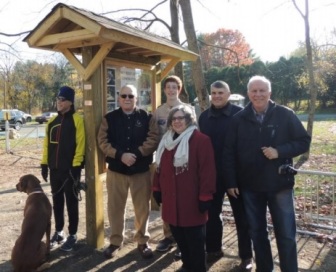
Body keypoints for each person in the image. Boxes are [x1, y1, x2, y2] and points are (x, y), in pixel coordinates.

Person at [223, 75, 311, 272]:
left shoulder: (285, 114)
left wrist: (280, 151)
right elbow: (228, 152)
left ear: (270, 93)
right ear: (248, 93)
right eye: (254, 90)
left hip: (279, 184)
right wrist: (230, 181)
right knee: (257, 233)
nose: (258, 94)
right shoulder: (238, 119)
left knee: (286, 234)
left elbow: (303, 141)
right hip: (250, 186)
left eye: (262, 90)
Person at [97, 84, 159, 259]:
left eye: (131, 96)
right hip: (116, 171)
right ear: (118, 98)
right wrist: (120, 155)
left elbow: (153, 138)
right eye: (123, 96)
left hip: (141, 171)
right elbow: (102, 141)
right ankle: (116, 241)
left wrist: (138, 154)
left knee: (142, 208)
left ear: (136, 98)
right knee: (115, 208)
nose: (127, 99)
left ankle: (142, 241)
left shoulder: (147, 117)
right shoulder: (109, 118)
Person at [152, 105, 216, 272]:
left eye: (182, 118)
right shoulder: (166, 141)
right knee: (180, 239)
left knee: (195, 243)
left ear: (189, 120)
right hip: (171, 201)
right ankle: (187, 265)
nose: (177, 121)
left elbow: (207, 172)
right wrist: (156, 188)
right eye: (174, 118)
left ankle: (198, 268)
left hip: (192, 201)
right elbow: (158, 168)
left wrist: (205, 196)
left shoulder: (201, 140)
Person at [198, 80, 253, 269]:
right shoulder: (204, 117)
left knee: (242, 217)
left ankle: (246, 256)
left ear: (229, 94)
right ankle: (213, 249)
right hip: (212, 174)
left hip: (237, 176)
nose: (217, 96)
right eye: (213, 93)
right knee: (212, 215)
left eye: (221, 92)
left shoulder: (241, 114)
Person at [152, 75, 196, 254]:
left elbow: (195, 133)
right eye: (168, 87)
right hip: (165, 159)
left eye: (174, 87)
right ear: (164, 90)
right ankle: (169, 236)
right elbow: (155, 136)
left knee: (184, 199)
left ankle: (182, 241)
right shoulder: (159, 112)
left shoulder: (188, 109)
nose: (171, 90)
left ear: (179, 89)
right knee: (166, 200)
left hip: (183, 160)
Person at [40, 86, 85, 252]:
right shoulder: (52, 122)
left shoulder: (77, 120)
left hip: (71, 170)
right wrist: (44, 164)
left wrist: (76, 165)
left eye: (63, 99)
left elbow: (81, 144)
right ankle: (59, 232)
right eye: (58, 99)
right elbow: (47, 146)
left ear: (70, 102)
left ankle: (73, 234)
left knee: (72, 203)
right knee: (57, 202)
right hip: (55, 170)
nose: (59, 102)